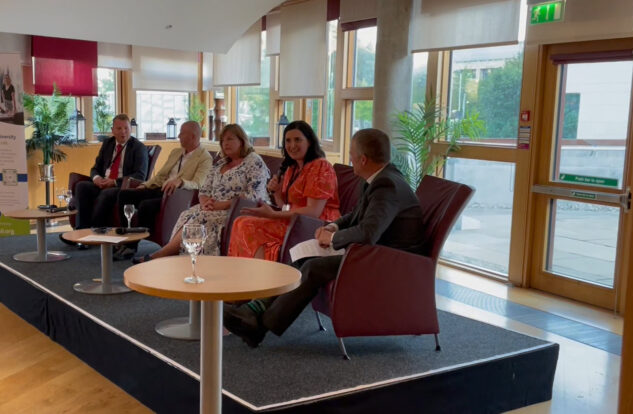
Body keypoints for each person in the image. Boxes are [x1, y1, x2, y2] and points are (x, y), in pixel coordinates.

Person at [223, 128, 425, 348]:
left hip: (390, 261)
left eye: (351, 154)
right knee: (302, 257)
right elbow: (356, 216)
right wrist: (333, 226)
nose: (350, 158)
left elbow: (368, 232)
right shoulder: (378, 179)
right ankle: (254, 310)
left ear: (363, 159)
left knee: (314, 267)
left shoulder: (387, 186)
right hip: (374, 251)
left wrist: (333, 239)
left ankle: (259, 326)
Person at [132, 124, 269, 263]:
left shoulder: (253, 161)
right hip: (212, 207)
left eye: (230, 139)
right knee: (187, 214)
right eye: (222, 141)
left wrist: (221, 205)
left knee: (200, 218)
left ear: (242, 141)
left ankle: (161, 256)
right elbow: (204, 190)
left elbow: (254, 195)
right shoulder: (220, 164)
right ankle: (176, 258)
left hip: (238, 209)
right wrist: (205, 203)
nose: (225, 143)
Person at [227, 121, 340, 261]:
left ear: (309, 142)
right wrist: (277, 193)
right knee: (240, 222)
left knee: (247, 225)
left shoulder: (321, 166)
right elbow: (284, 206)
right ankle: (251, 275)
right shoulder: (292, 168)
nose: (292, 146)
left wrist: (274, 215)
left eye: (298, 140)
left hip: (316, 225)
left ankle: (258, 278)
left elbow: (314, 212)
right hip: (292, 220)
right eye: (288, 141)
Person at [114, 120, 213, 260]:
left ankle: (131, 247)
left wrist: (180, 182)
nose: (178, 135)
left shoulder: (204, 158)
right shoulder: (176, 152)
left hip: (176, 195)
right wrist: (145, 185)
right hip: (160, 189)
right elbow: (161, 175)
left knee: (145, 206)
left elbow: (199, 183)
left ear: (193, 136)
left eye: (182, 133)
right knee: (125, 195)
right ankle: (125, 239)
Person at [61, 114, 148, 247]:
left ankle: (95, 233)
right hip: (102, 183)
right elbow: (95, 168)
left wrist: (113, 182)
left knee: (106, 194)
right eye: (119, 128)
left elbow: (140, 176)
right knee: (82, 186)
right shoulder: (108, 143)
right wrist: (96, 178)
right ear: (112, 130)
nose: (123, 132)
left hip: (121, 186)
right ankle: (81, 233)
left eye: (126, 128)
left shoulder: (138, 147)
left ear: (131, 129)